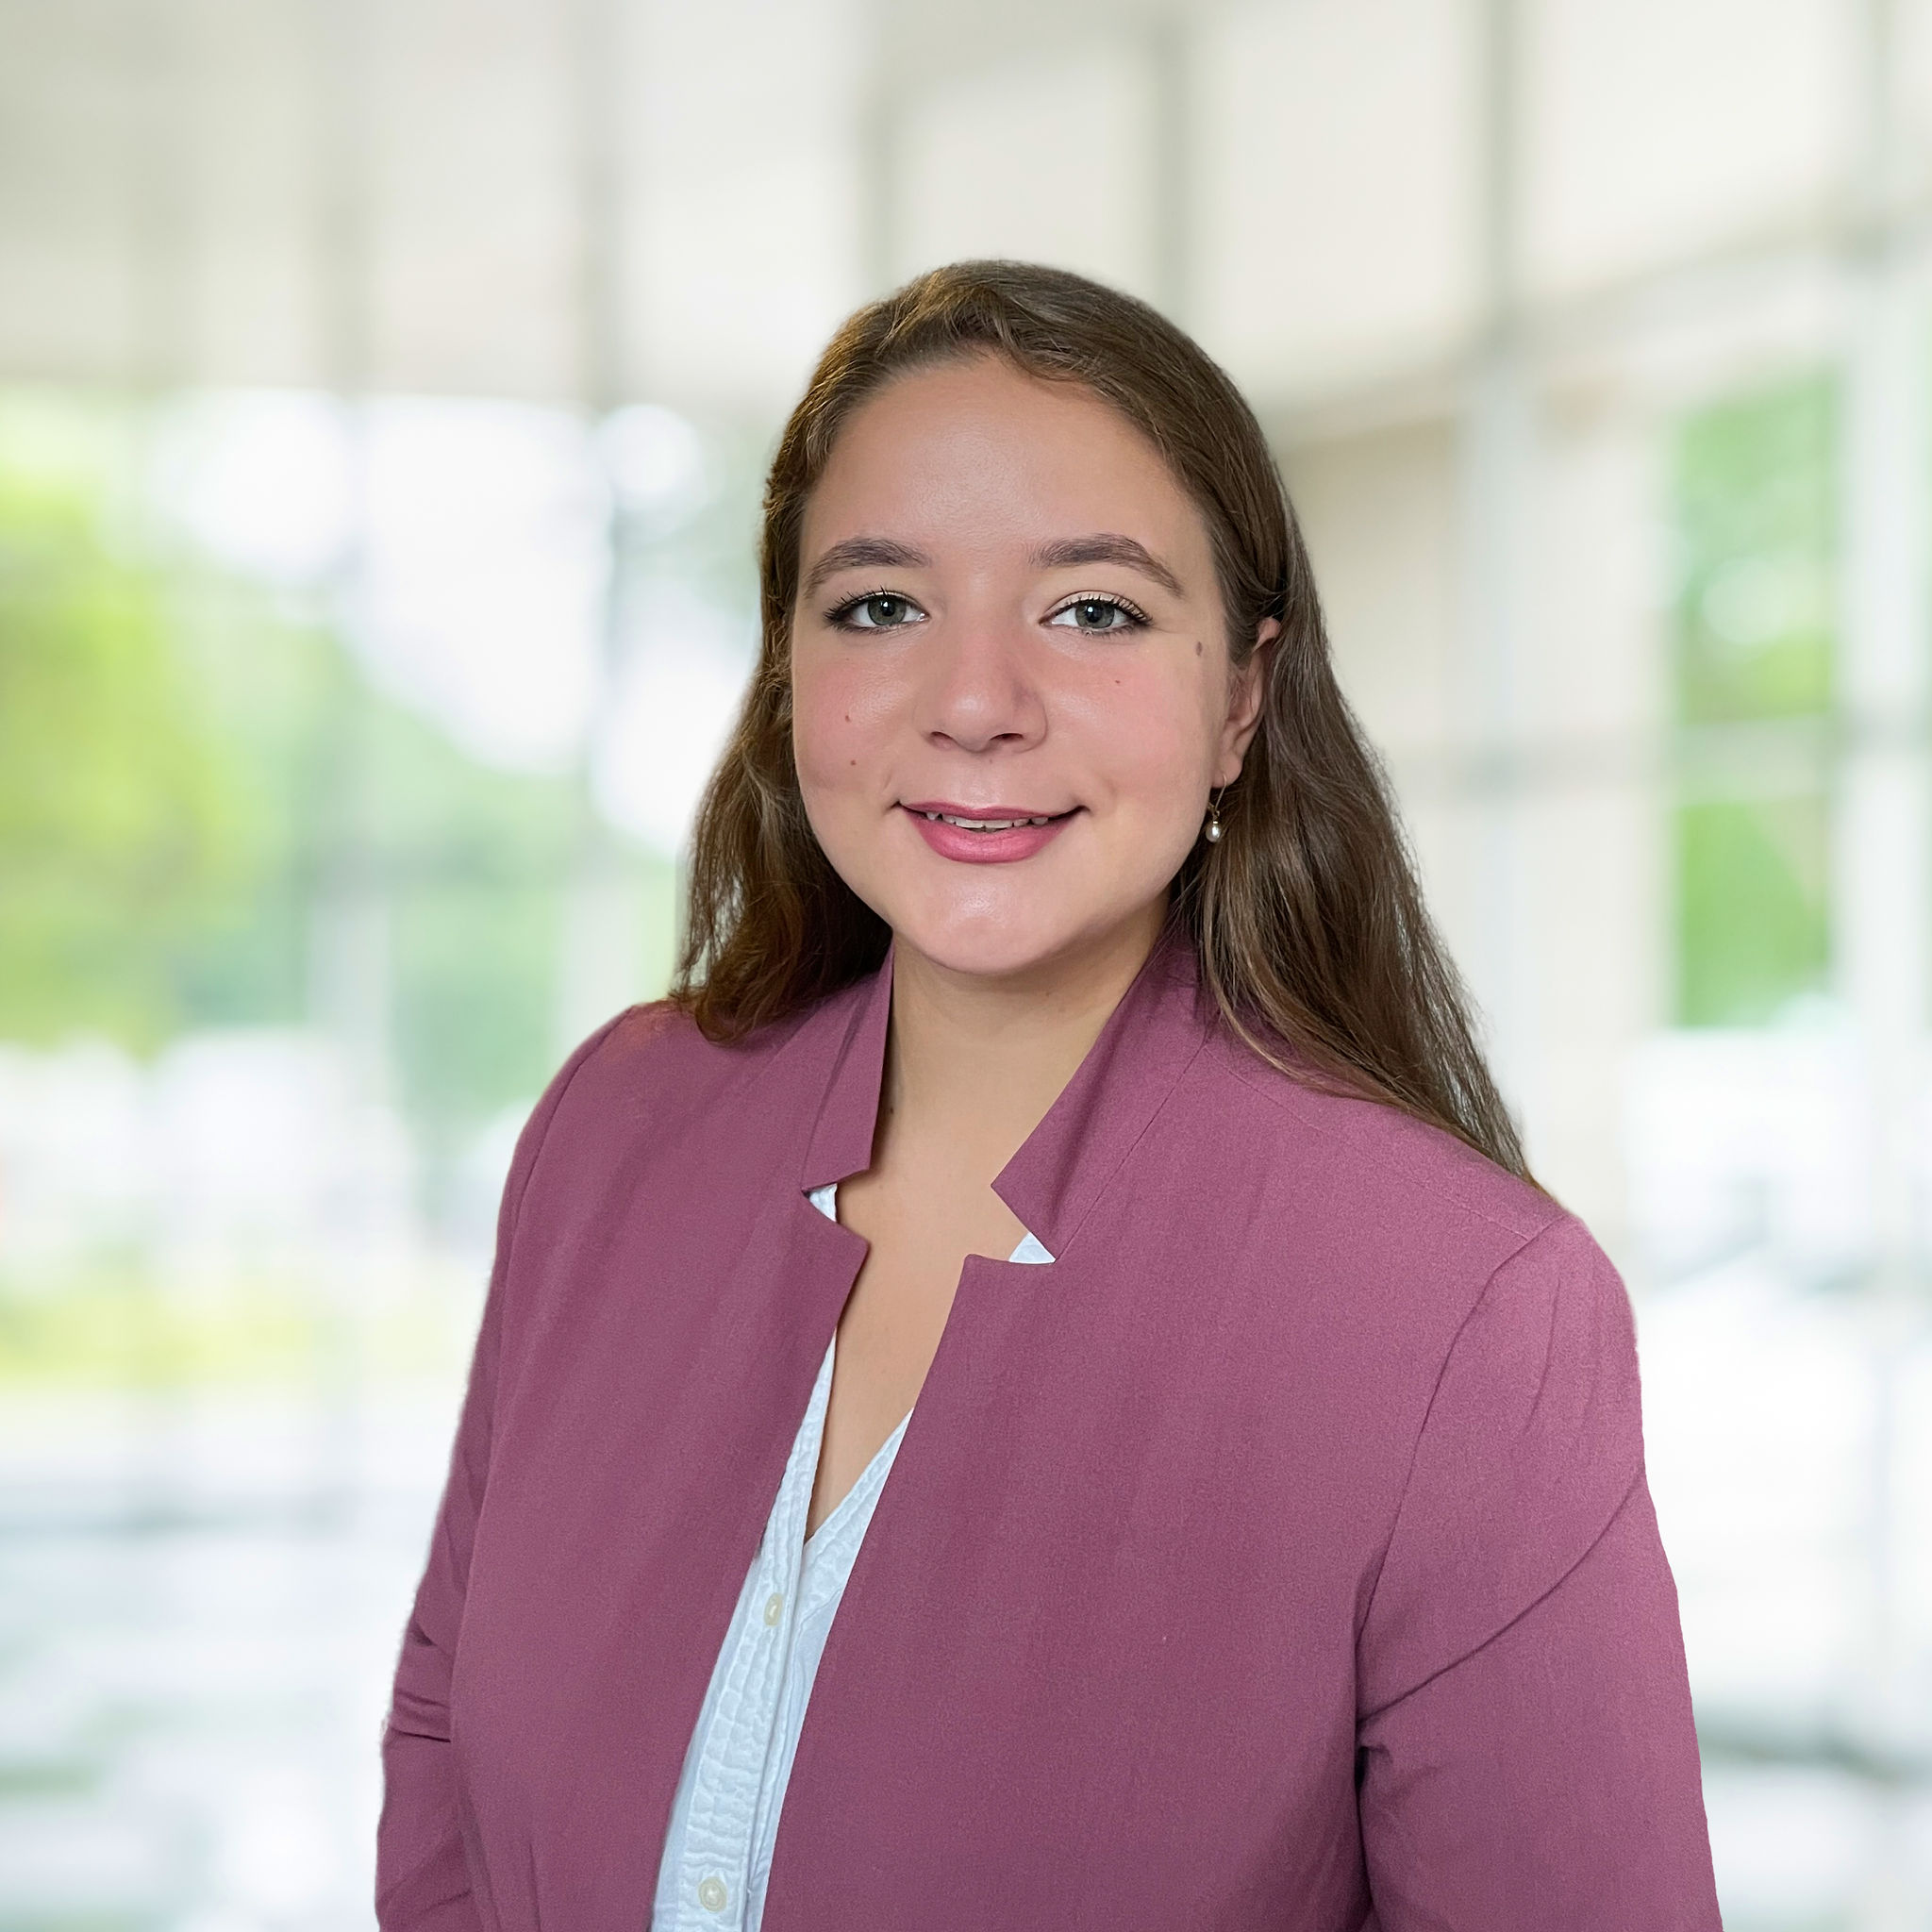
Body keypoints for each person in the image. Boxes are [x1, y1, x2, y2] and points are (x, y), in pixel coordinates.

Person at [376, 260, 1721, 1931]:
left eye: (1094, 609)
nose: (977, 705)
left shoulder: (1464, 1312)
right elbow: (442, 1737)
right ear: (789, 663)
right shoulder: (615, 1130)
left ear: (1242, 697)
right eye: (879, 604)